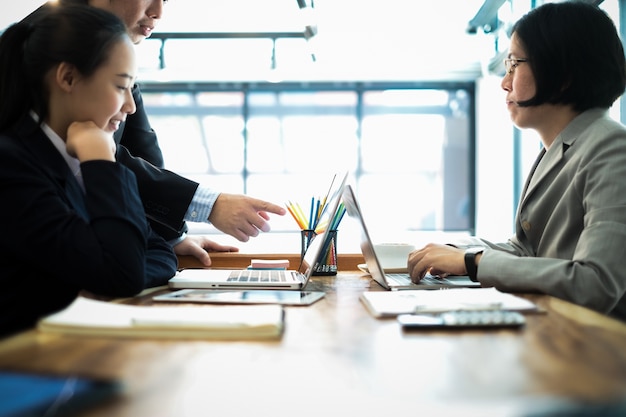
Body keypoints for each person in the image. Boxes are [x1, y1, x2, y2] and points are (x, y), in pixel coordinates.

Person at [407, 1, 626, 321]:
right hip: (557, 336)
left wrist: (472, 262)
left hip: (596, 353)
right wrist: (454, 250)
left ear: (562, 74)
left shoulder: (611, 148)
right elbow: (526, 251)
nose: (504, 82)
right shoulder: (565, 145)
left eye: (514, 64)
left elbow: (596, 283)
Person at [27, 0, 287, 267]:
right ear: (67, 79)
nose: (158, 13)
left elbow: (141, 149)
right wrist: (209, 206)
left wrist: (170, 238)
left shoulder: (109, 49)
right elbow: (105, 162)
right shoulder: (39, 46)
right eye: (119, 85)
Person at [0, 5, 179, 337]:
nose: (131, 106)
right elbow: (121, 272)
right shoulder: (11, 166)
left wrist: (114, 276)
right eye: (120, 86)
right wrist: (101, 160)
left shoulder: (64, 161)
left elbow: (158, 250)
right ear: (68, 77)